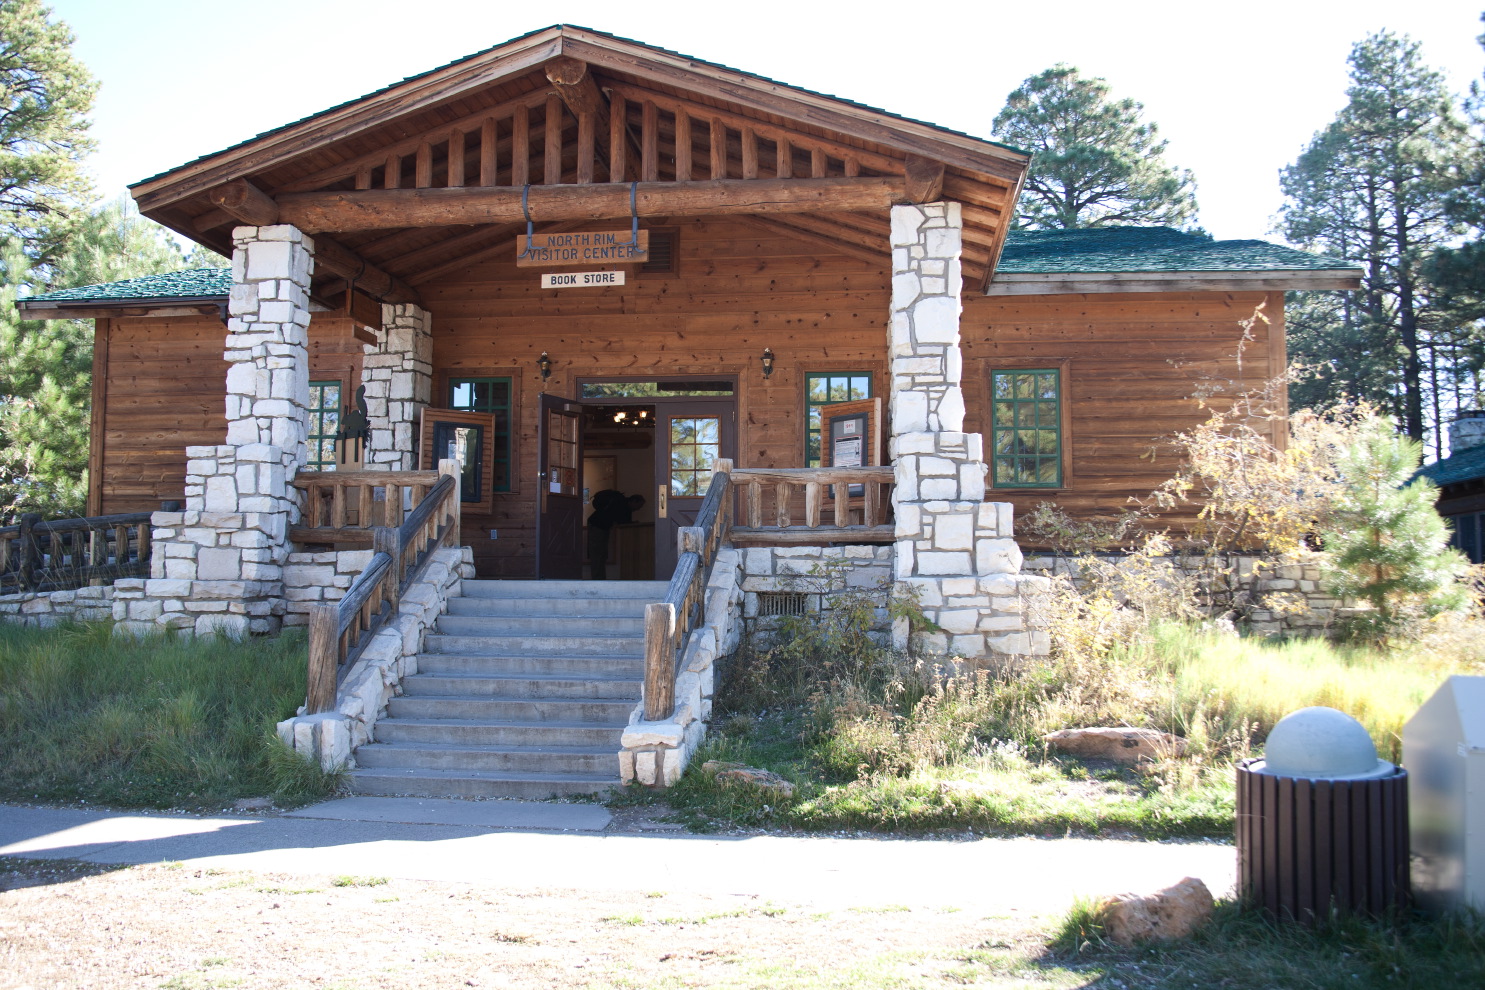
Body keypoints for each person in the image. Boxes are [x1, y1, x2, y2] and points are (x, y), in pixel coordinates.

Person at [587, 490, 645, 580]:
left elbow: (622, 521)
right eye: (639, 506)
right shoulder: (622, 505)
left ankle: (599, 579)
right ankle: (598, 579)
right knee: (598, 555)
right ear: (634, 501)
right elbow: (622, 522)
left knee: (599, 555)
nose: (639, 509)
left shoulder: (622, 503)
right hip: (598, 527)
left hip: (599, 526)